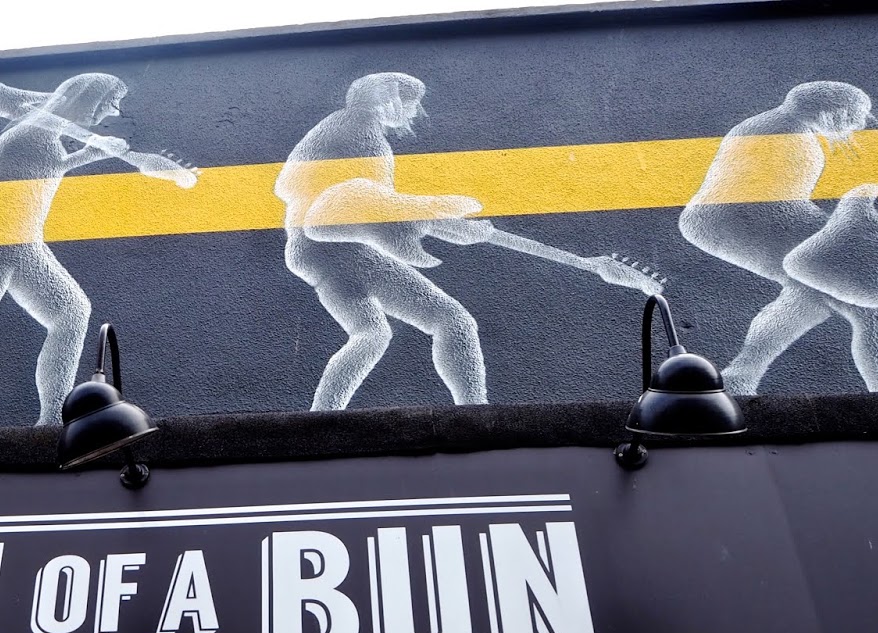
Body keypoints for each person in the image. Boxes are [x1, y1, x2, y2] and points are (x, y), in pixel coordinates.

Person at [280, 73, 655, 410]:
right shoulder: (364, 137)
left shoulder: (332, 130)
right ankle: (475, 415)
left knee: (371, 333)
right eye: (411, 103)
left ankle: (322, 419)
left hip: (308, 253)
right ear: (388, 98)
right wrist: (433, 217)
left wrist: (436, 221)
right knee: (453, 322)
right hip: (339, 252)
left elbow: (335, 202)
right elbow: (344, 213)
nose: (415, 113)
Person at [0, 71, 195, 432]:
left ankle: (52, 420)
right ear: (89, 100)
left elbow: (49, 158)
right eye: (110, 104)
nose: (115, 112)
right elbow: (48, 149)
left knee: (71, 311)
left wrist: (100, 152)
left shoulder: (38, 129)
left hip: (18, 244)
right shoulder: (35, 133)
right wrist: (111, 151)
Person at [680, 81, 878, 394]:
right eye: (855, 116)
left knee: (812, 292)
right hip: (737, 222)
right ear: (832, 113)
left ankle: (740, 376)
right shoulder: (791, 138)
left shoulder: (776, 126)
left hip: (721, 222)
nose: (859, 125)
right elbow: (778, 208)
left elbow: (782, 206)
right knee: (867, 293)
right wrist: (850, 231)